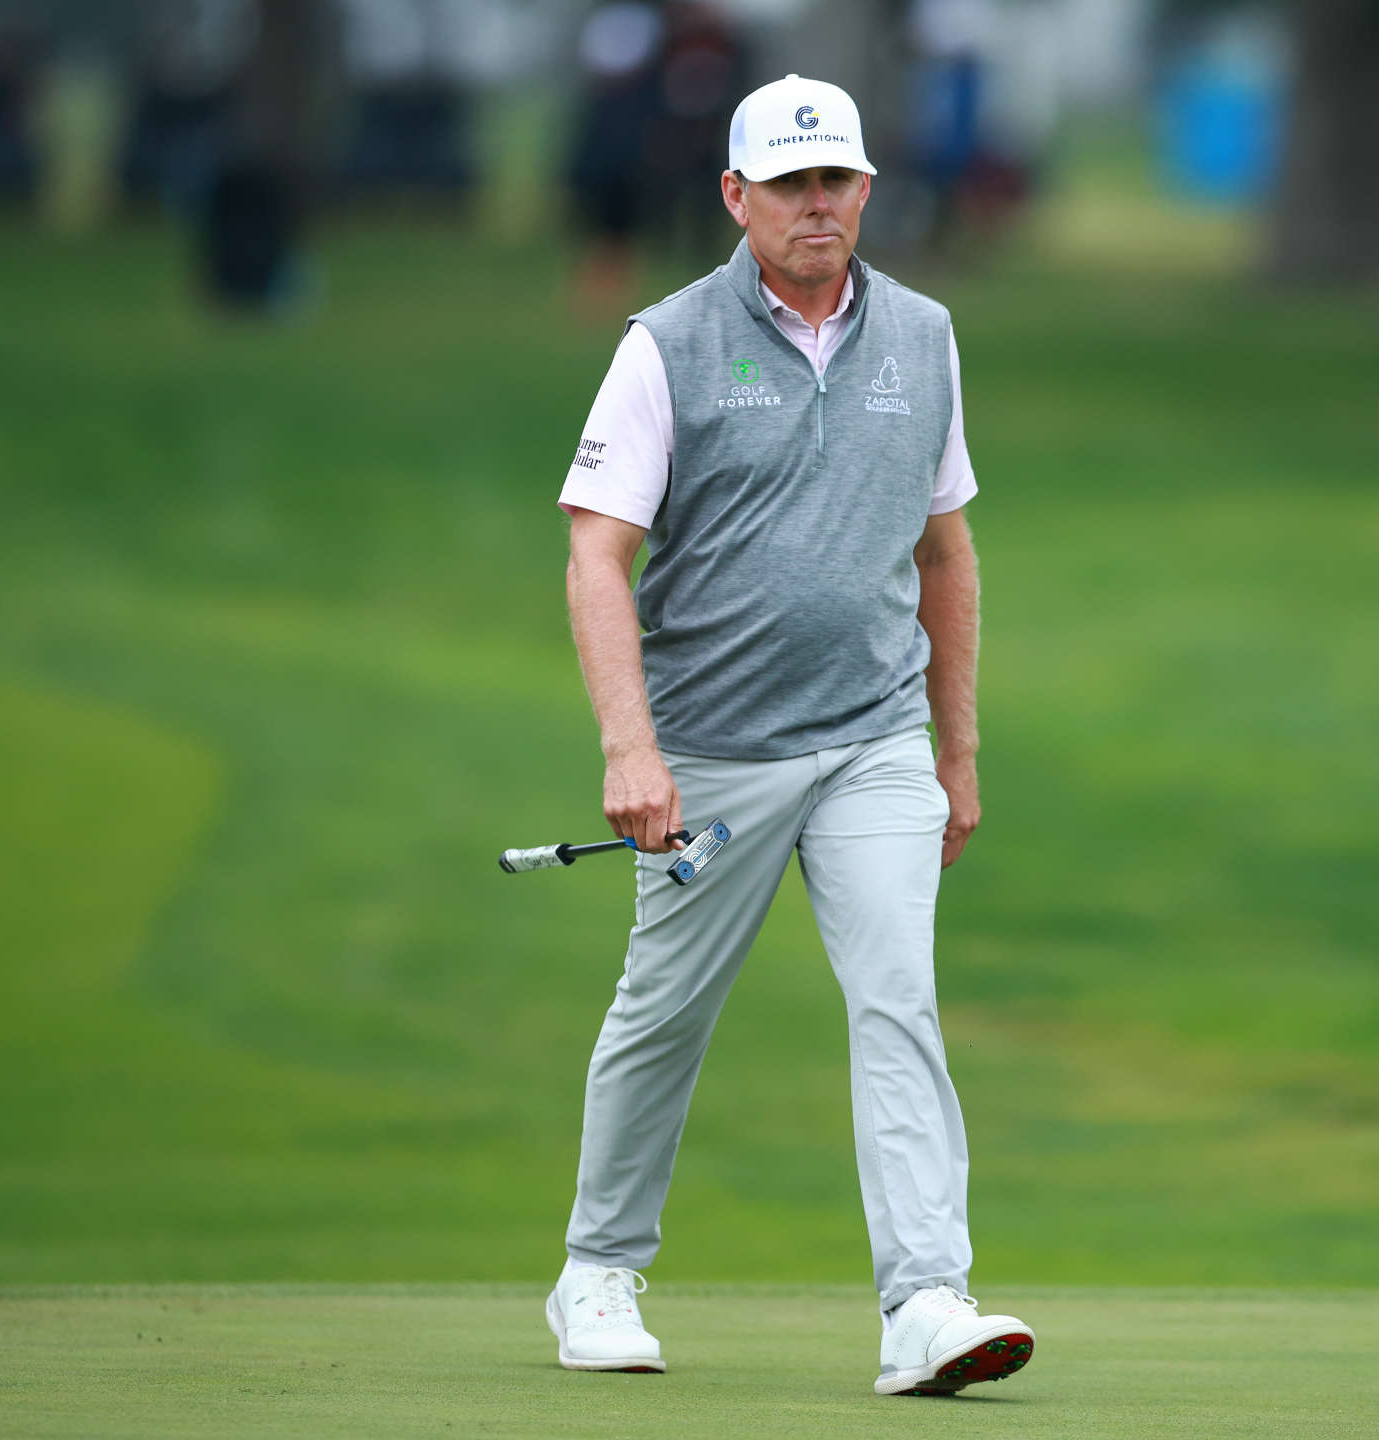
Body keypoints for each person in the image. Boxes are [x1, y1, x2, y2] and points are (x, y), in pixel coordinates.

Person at [547, 73, 1034, 1398]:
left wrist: (957, 750)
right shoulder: (668, 342)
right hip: (710, 750)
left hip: (874, 736)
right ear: (736, 196)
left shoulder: (925, 336)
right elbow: (600, 556)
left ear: (869, 189)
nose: (818, 206)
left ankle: (927, 1302)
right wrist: (628, 748)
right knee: (667, 1012)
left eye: (839, 182)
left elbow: (946, 550)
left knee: (899, 1003)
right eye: (791, 183)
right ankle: (597, 1268)